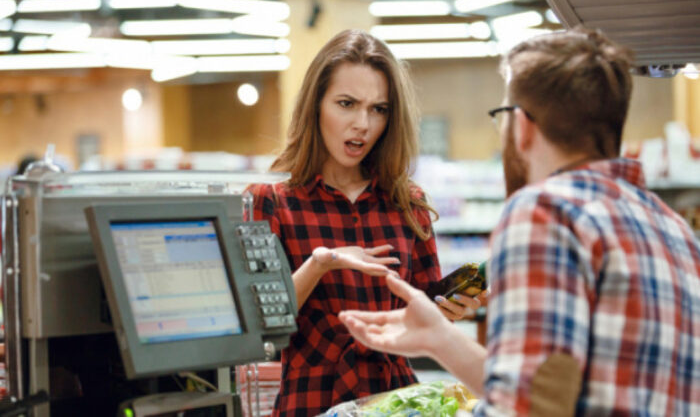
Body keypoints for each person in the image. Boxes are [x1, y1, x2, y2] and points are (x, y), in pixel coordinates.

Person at [340, 27, 700, 416]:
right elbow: (560, 394)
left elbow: (523, 409)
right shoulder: (674, 229)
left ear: (522, 125)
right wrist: (440, 338)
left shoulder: (546, 211)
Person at [249, 29, 475, 416]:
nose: (363, 124)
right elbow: (262, 325)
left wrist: (446, 310)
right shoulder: (272, 205)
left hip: (398, 402)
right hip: (312, 401)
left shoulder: (408, 203)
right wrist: (322, 262)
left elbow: (419, 319)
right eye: (347, 104)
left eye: (378, 109)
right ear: (316, 105)